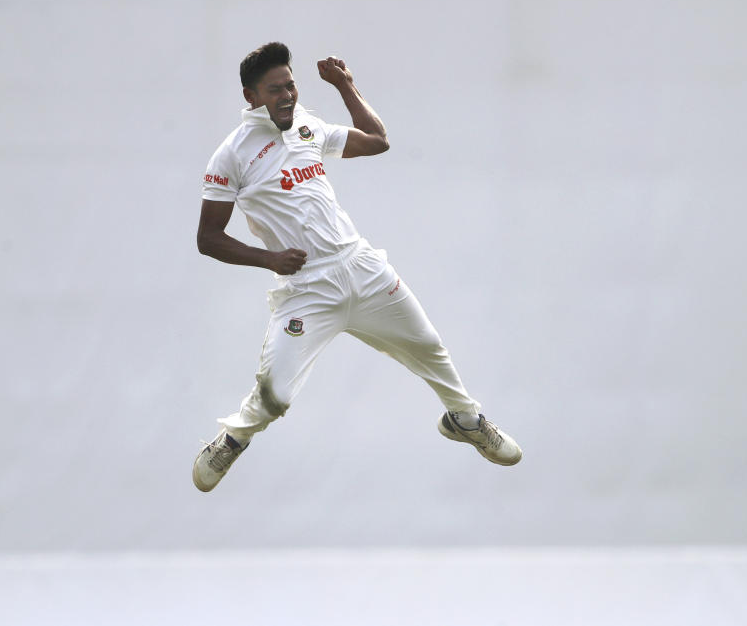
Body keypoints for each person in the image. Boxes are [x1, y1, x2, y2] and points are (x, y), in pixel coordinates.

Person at [194, 42, 521, 492]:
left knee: (428, 344)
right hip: (307, 287)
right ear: (251, 97)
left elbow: (377, 141)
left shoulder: (306, 123)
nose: (287, 95)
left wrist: (346, 85)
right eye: (275, 90)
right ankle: (233, 438)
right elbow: (207, 239)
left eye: (291, 85)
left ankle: (465, 420)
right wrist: (269, 258)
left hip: (360, 266)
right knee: (276, 397)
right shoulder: (232, 155)